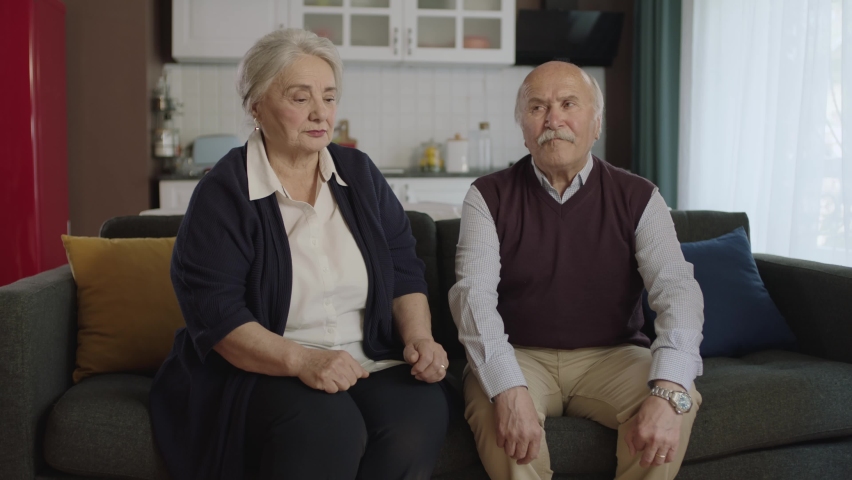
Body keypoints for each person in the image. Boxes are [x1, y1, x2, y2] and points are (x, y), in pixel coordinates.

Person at [149, 28, 451, 480]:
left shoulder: (360, 174)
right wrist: (304, 361)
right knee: (329, 428)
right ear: (256, 106)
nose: (319, 113)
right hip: (269, 366)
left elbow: (405, 269)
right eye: (299, 97)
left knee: (418, 416)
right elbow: (217, 315)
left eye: (329, 98)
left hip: (369, 356)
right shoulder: (224, 193)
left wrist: (420, 338)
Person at [449, 61, 704, 480]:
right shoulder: (487, 196)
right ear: (523, 127)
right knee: (495, 404)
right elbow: (472, 297)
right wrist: (509, 389)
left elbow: (677, 291)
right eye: (537, 108)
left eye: (569, 104)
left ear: (596, 123)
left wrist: (671, 388)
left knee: (676, 399)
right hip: (519, 353)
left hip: (614, 356)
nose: (553, 119)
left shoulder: (639, 196)